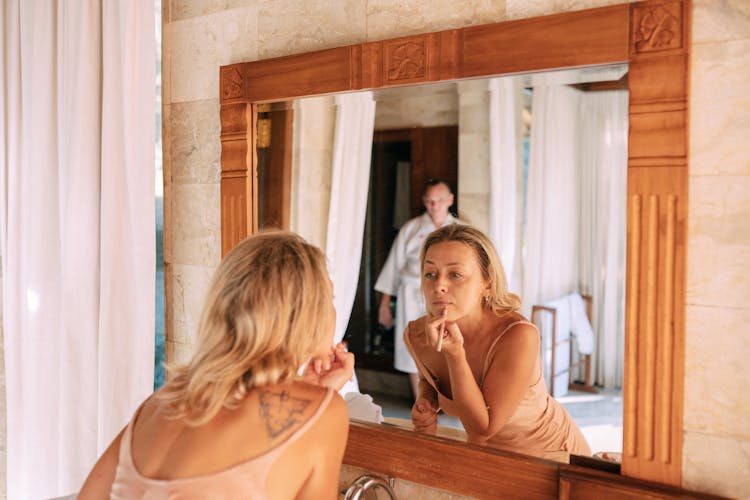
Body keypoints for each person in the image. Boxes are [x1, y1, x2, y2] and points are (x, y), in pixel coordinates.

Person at [78, 230, 355, 499]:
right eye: (328, 298)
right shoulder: (325, 414)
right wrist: (319, 399)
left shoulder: (159, 404)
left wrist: (305, 389)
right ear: (304, 315)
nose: (332, 312)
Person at [405, 224, 590, 459]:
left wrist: (456, 355)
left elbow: (483, 430)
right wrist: (427, 398)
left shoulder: (518, 336)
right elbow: (429, 378)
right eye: (430, 274)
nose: (438, 285)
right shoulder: (417, 335)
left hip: (552, 456)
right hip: (488, 457)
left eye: (455, 275)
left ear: (488, 283)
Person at [375, 179, 461, 398]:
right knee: (413, 345)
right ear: (424, 201)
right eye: (430, 201)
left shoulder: (461, 231)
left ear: (449, 200)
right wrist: (385, 304)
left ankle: (447, 400)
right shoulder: (411, 229)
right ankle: (421, 400)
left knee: (447, 342)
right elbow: (393, 267)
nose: (434, 206)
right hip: (411, 294)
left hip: (446, 294)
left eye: (439, 200)